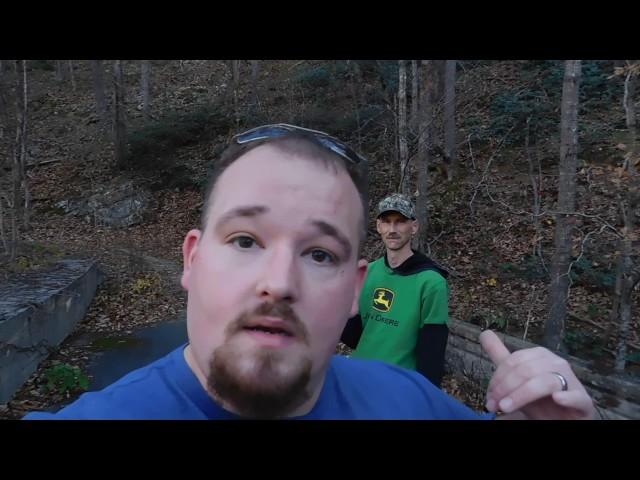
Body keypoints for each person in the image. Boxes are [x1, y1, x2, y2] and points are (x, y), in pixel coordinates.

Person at [24, 124, 597, 420]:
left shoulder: (410, 402)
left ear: (355, 284)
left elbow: (431, 351)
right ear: (191, 260)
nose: (280, 282)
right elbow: (357, 332)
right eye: (245, 240)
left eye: (320, 253)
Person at [340, 193, 450, 387]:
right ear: (378, 226)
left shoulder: (431, 283)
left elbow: (432, 355)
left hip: (397, 387)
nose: (392, 229)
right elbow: (353, 338)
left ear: (413, 227)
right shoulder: (367, 272)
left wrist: (425, 400)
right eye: (387, 222)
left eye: (400, 222)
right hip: (356, 379)